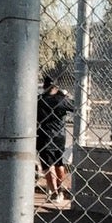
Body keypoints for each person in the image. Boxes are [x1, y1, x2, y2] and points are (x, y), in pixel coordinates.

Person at [36, 72, 74, 206]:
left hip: (43, 136)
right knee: (59, 164)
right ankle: (60, 190)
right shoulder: (61, 99)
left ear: (45, 86)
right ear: (56, 87)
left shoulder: (39, 100)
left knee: (48, 166)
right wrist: (64, 95)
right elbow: (74, 106)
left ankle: (55, 192)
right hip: (59, 136)